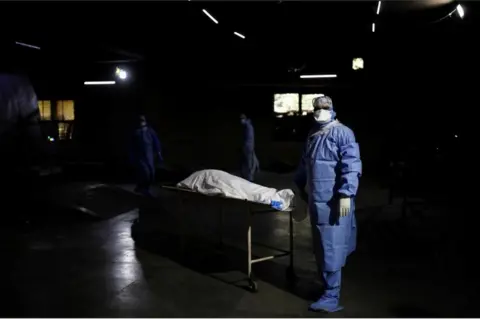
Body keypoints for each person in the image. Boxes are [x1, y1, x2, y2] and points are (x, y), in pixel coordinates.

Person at [294, 96, 362, 313]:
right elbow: (305, 164)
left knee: (332, 247)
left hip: (334, 202)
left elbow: (351, 164)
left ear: (332, 108)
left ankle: (331, 295)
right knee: (322, 247)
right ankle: (326, 288)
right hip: (317, 201)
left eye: (324, 108)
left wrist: (346, 193)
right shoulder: (313, 134)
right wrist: (301, 189)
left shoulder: (343, 133)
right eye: (316, 108)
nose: (319, 111)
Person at [130, 115, 163, 196]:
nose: (142, 122)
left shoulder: (150, 131)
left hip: (149, 155)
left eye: (143, 120)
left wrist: (159, 153)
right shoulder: (136, 132)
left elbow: (156, 142)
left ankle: (141, 187)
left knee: (151, 173)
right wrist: (132, 156)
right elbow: (131, 146)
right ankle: (143, 188)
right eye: (140, 120)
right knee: (145, 172)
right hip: (140, 156)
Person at [240, 113, 259, 182]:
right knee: (250, 162)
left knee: (249, 163)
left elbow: (249, 139)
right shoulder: (248, 126)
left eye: (242, 119)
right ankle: (249, 176)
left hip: (248, 147)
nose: (241, 121)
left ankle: (250, 178)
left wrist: (246, 147)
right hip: (249, 147)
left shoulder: (248, 126)